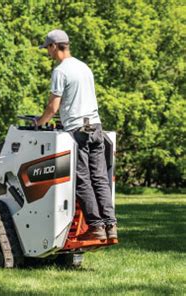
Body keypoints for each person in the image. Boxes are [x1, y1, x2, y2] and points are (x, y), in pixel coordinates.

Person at [37, 29, 117, 240]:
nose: (48, 52)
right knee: (100, 178)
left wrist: (39, 123)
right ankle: (111, 225)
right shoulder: (84, 67)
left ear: (55, 46)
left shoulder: (60, 71)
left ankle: (96, 227)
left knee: (82, 179)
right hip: (95, 127)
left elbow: (53, 107)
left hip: (77, 130)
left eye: (48, 48)